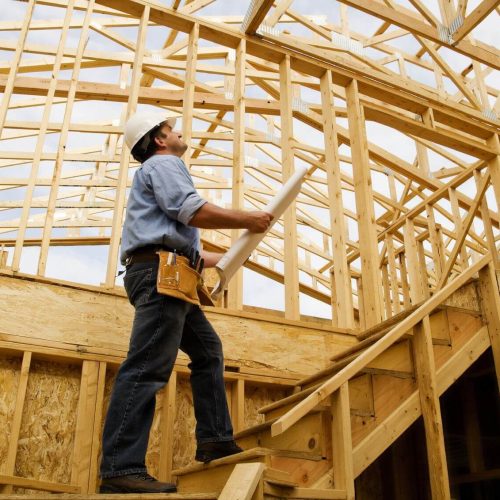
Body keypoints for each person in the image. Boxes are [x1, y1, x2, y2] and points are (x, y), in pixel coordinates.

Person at [99, 111, 273, 494]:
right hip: (162, 274)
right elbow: (192, 211)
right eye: (171, 129)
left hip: (171, 273)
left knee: (208, 351)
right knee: (147, 367)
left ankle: (213, 438)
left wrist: (230, 258)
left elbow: (183, 242)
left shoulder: (156, 170)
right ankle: (120, 467)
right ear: (159, 140)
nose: (178, 133)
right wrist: (249, 220)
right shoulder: (164, 164)